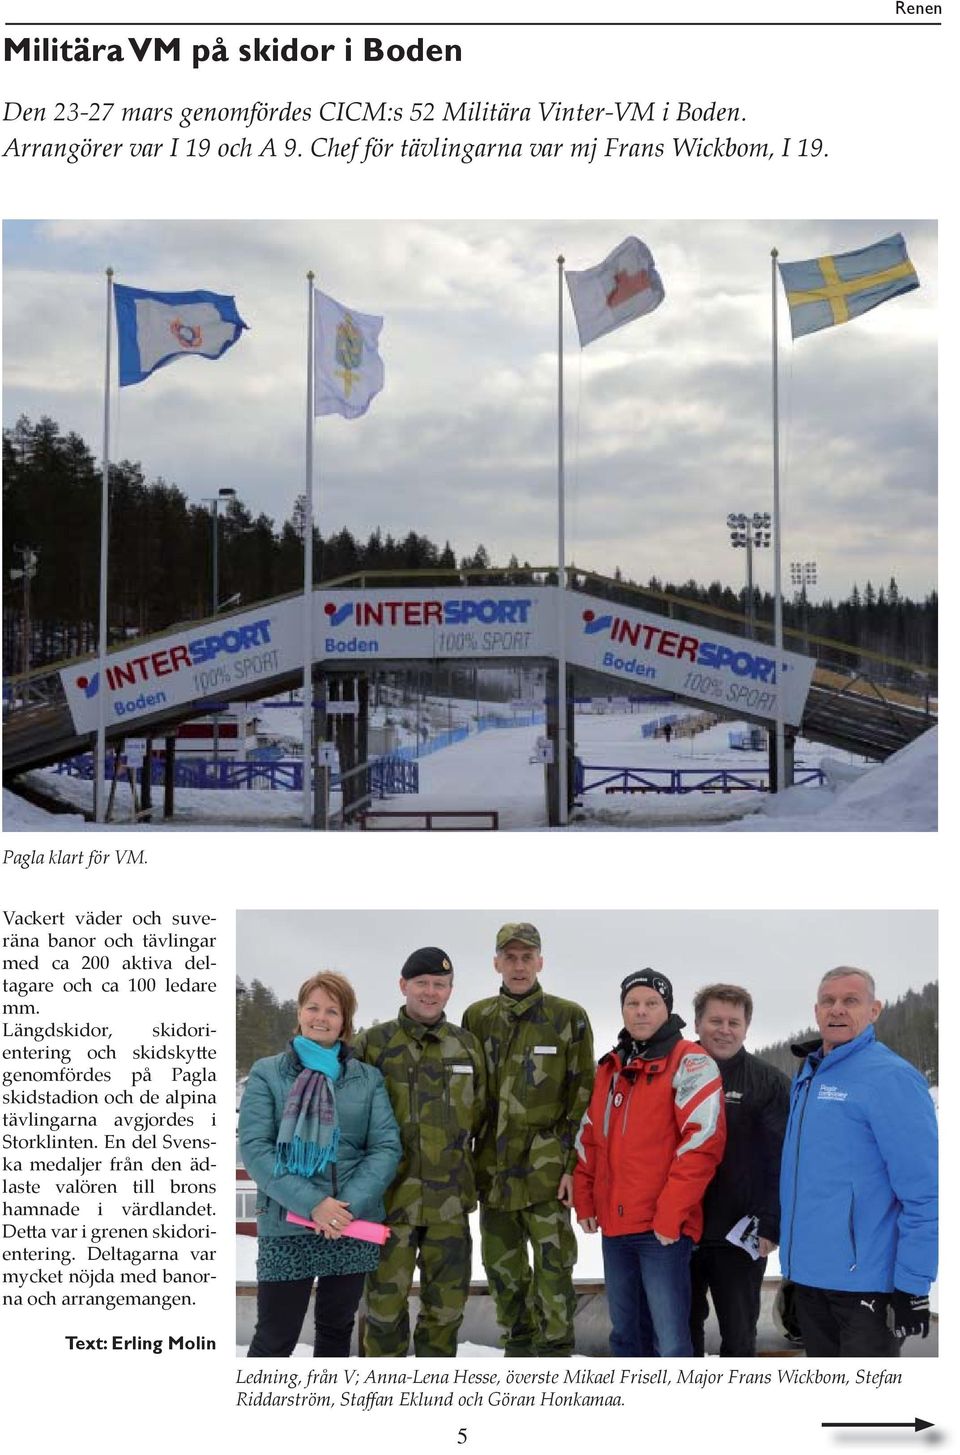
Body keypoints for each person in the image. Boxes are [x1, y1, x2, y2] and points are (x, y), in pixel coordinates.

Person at [239, 971, 401, 1357]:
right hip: (286, 1224)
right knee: (275, 1338)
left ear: (345, 1021)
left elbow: (385, 1147)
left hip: (349, 1224)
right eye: (313, 1007)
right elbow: (256, 1148)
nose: (321, 1017)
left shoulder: (366, 1079)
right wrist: (315, 1205)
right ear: (299, 1012)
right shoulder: (268, 1072)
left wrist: (343, 1210)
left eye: (332, 1010)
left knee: (335, 1335)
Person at [779, 966, 938, 1357]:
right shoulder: (808, 1076)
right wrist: (793, 1272)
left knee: (868, 1415)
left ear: (874, 1010)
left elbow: (926, 1191)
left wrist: (913, 1286)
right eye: (828, 1001)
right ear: (816, 1011)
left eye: (851, 1000)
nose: (837, 1010)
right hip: (811, 1281)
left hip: (867, 1287)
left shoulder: (890, 1078)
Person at [573, 970, 726, 1357]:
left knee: (670, 1341)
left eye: (651, 1004)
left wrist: (670, 1215)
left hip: (663, 1232)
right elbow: (590, 1136)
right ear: (622, 1009)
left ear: (667, 1009)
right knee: (625, 1336)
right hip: (616, 1227)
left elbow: (702, 1144)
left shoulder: (690, 1062)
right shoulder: (610, 1067)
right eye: (632, 1004)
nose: (641, 1012)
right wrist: (586, 1200)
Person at [462, 922, 594, 1356]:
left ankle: (555, 1353)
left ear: (541, 961)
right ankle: (518, 1350)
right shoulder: (476, 1018)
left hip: (547, 1172)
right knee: (503, 1268)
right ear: (496, 962)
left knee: (554, 1267)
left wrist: (574, 1167)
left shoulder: (567, 1017)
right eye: (510, 957)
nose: (518, 966)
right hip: (494, 1172)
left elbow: (582, 1098)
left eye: (526, 957)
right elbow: (471, 1097)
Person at [353, 946, 487, 1356]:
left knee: (445, 1312)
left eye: (439, 985)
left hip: (449, 1207)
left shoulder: (466, 1046)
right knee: (383, 1312)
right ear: (403, 985)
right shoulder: (371, 1046)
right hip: (387, 1205)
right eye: (422, 983)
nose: (430, 992)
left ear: (450, 991)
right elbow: (352, 1122)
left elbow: (480, 1115)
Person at [688, 983, 790, 1357]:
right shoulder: (673, 1076)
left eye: (734, 1021)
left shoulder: (769, 1083)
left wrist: (770, 1221)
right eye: (715, 1020)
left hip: (740, 1234)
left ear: (747, 1027)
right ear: (697, 1024)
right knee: (680, 1331)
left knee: (739, 1334)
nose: (724, 1029)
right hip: (679, 1230)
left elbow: (782, 1158)